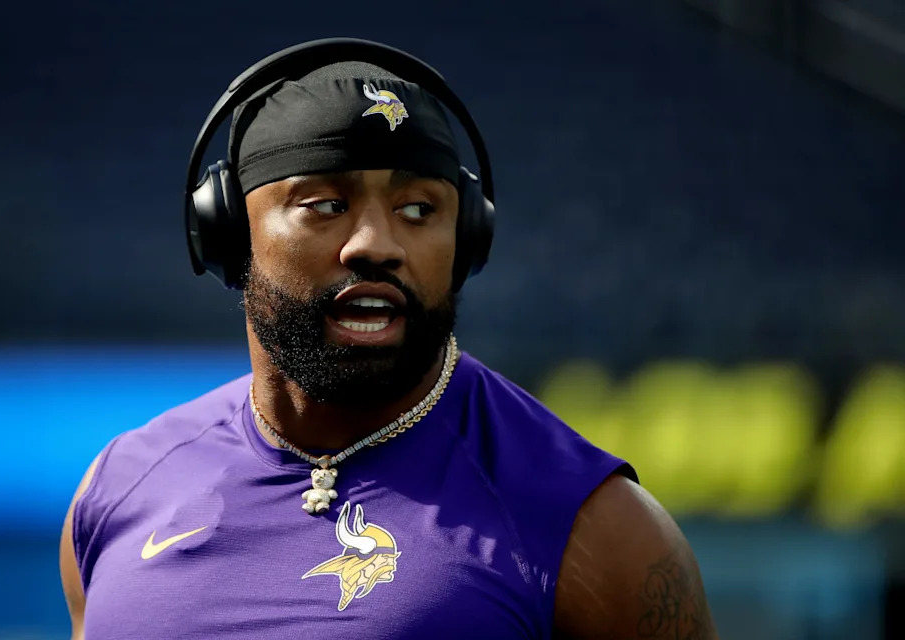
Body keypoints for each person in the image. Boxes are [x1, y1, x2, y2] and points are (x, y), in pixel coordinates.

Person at [59, 39, 719, 640]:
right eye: (324, 205)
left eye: (417, 210)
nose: (376, 243)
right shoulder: (119, 491)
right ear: (230, 234)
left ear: (466, 242)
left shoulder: (591, 527)